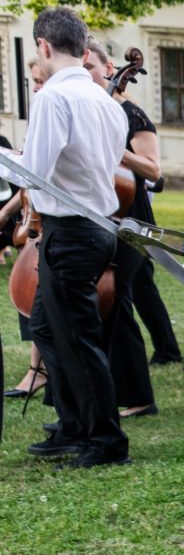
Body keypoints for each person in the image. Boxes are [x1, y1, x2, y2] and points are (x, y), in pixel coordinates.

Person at [0, 7, 130, 468]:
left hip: (73, 230)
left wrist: (8, 160)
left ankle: (106, 441)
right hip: (94, 227)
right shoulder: (105, 101)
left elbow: (34, 173)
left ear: (43, 47)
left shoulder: (54, 98)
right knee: (46, 328)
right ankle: (74, 424)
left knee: (77, 338)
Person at [83, 37, 162, 418]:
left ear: (109, 69)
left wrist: (118, 149)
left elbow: (153, 169)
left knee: (116, 302)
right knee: (115, 305)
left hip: (134, 216)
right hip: (104, 215)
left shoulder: (132, 113)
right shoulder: (89, 111)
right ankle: (131, 393)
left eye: (89, 68)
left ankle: (136, 395)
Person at [2, 58, 48, 400]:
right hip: (37, 220)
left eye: (37, 80)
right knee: (32, 296)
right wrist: (7, 211)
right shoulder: (42, 115)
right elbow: (28, 183)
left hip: (59, 225)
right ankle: (36, 369)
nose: (34, 88)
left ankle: (40, 371)